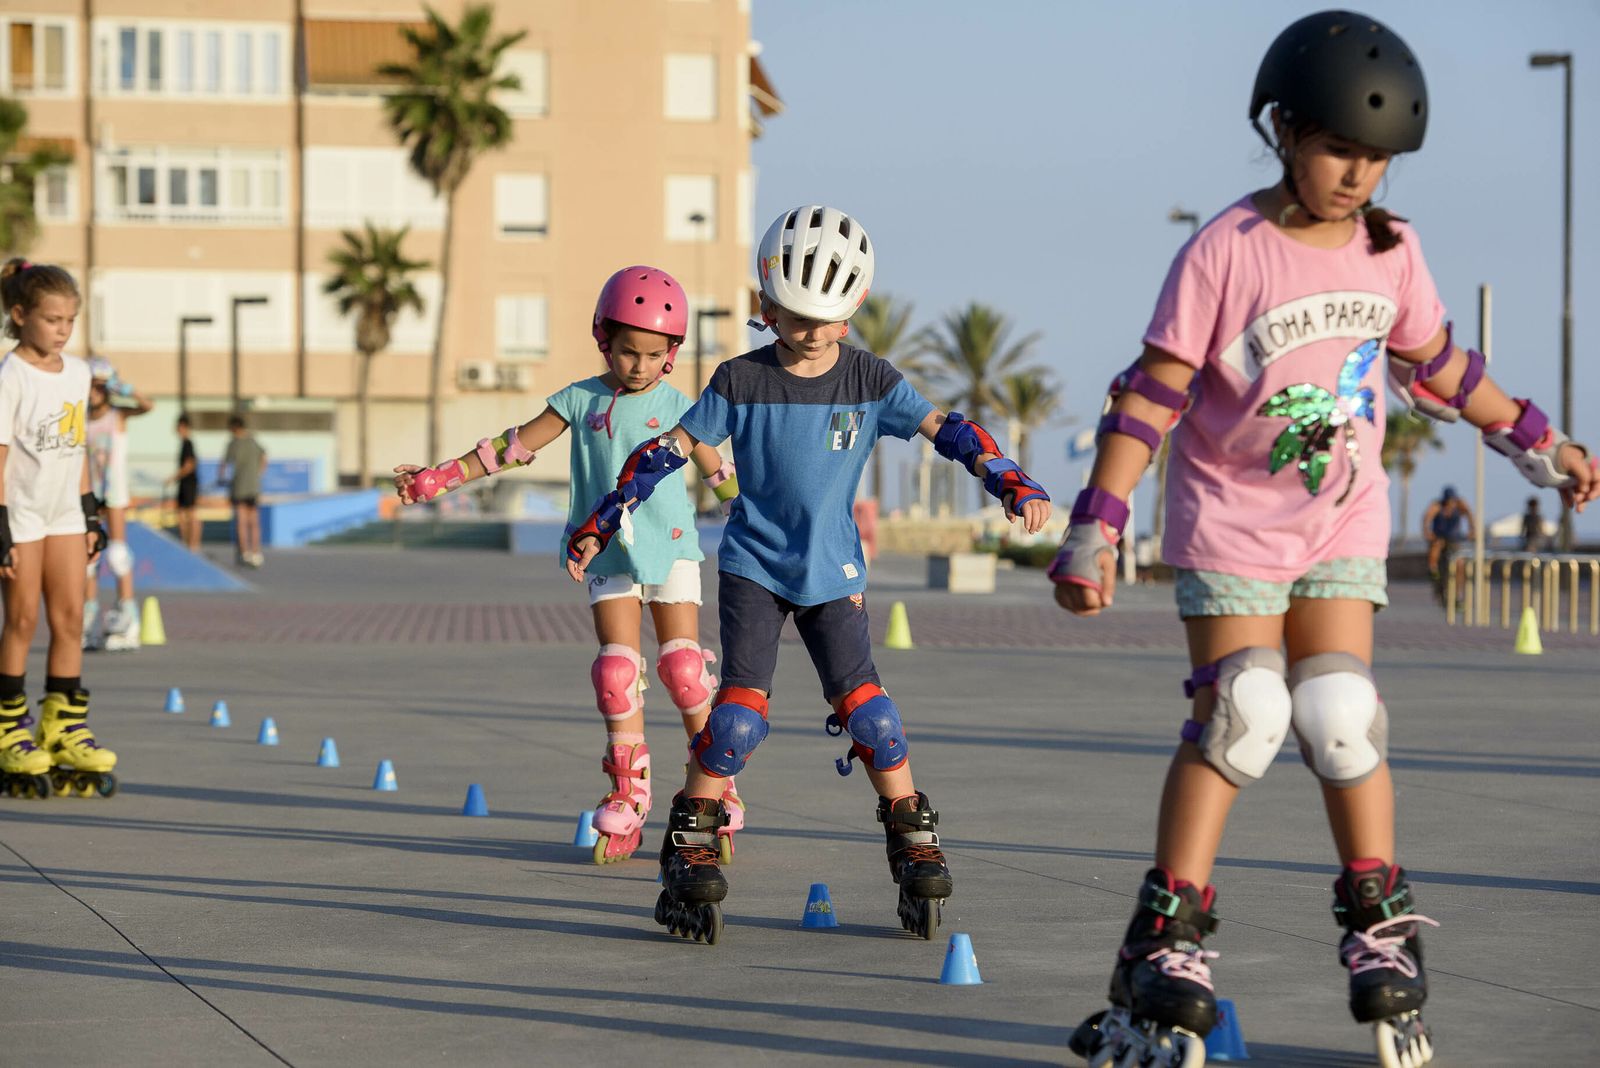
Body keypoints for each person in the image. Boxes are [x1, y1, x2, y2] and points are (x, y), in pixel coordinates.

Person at [1050, 13, 1598, 1067]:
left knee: (1342, 715)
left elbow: (1437, 363)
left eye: (1378, 159)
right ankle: (1165, 938)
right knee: (1241, 715)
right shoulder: (1224, 250)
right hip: (1227, 526)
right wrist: (1098, 523)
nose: (1359, 176)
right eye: (1341, 149)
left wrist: (1540, 441)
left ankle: (1378, 928)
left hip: (1340, 523)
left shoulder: (1391, 250)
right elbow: (1152, 391)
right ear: (1284, 130)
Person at [566, 206, 1051, 945]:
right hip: (754, 567)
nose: (811, 332)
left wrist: (1009, 478)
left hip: (834, 573)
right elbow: (667, 450)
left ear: (853, 307)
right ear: (766, 306)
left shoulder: (871, 378)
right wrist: (604, 517)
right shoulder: (739, 378)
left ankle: (911, 833)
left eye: (826, 318)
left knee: (873, 715)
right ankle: (690, 838)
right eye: (793, 317)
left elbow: (947, 429)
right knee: (734, 719)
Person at [395, 266, 738, 865]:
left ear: (672, 353)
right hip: (603, 549)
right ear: (604, 339)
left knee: (683, 670)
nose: (639, 365)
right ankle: (629, 793)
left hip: (671, 546)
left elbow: (720, 473)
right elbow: (512, 446)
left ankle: (716, 786)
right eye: (628, 351)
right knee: (614, 673)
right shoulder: (578, 399)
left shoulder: (682, 405)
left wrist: (761, 519)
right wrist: (438, 479)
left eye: (654, 354)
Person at [0, 259, 117, 800]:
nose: (62, 330)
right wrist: (0, 524)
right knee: (21, 620)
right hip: (21, 515)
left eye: (70, 320)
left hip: (66, 513)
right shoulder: (10, 375)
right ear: (20, 315)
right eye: (52, 320)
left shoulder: (78, 372)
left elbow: (80, 448)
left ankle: (63, 727)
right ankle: (9, 729)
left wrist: (92, 511)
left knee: (70, 619)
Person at [83, 358, 152, 650]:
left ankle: (127, 614)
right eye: (91, 386)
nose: (95, 392)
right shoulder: (81, 417)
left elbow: (147, 406)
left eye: (100, 387)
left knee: (118, 554)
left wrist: (124, 387)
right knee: (89, 559)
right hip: (89, 492)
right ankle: (87, 620)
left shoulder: (117, 415)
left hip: (115, 494)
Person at [219, 413, 266, 567]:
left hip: (239, 486)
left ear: (233, 428)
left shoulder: (233, 443)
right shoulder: (253, 441)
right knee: (254, 521)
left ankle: (244, 552)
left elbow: (224, 464)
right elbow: (264, 458)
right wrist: (258, 474)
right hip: (253, 486)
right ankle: (256, 553)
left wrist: (221, 478)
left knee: (242, 520)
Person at [1421, 485, 1473, 599]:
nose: (1450, 505)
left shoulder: (1460, 504)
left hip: (1454, 539)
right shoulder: (1436, 506)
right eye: (1448, 502)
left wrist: (1472, 530)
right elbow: (1427, 517)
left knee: (1460, 564)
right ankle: (1433, 570)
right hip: (1439, 537)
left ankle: (1458, 594)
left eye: (1452, 501)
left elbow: (1470, 515)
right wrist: (1427, 532)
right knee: (1436, 547)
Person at [168, 413, 201, 552]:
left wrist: (173, 478)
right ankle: (186, 544)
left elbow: (190, 465)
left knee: (191, 514)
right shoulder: (184, 444)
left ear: (183, 426)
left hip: (189, 484)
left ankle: (193, 545)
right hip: (184, 484)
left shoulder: (188, 443)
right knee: (181, 514)